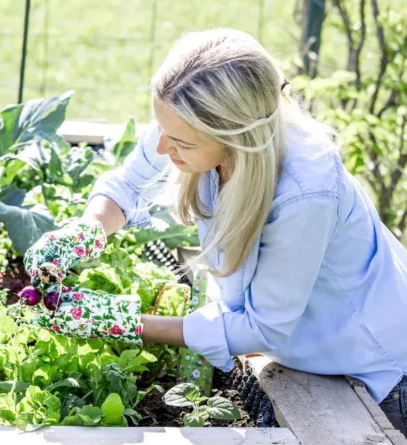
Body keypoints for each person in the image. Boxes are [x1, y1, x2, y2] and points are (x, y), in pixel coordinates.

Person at [21, 28, 407, 435]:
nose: (161, 149)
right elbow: (130, 185)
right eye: (162, 129)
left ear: (234, 137)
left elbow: (262, 327)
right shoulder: (184, 119)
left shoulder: (304, 192)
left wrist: (123, 320)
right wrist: (84, 232)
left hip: (376, 374)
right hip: (311, 357)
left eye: (179, 143)